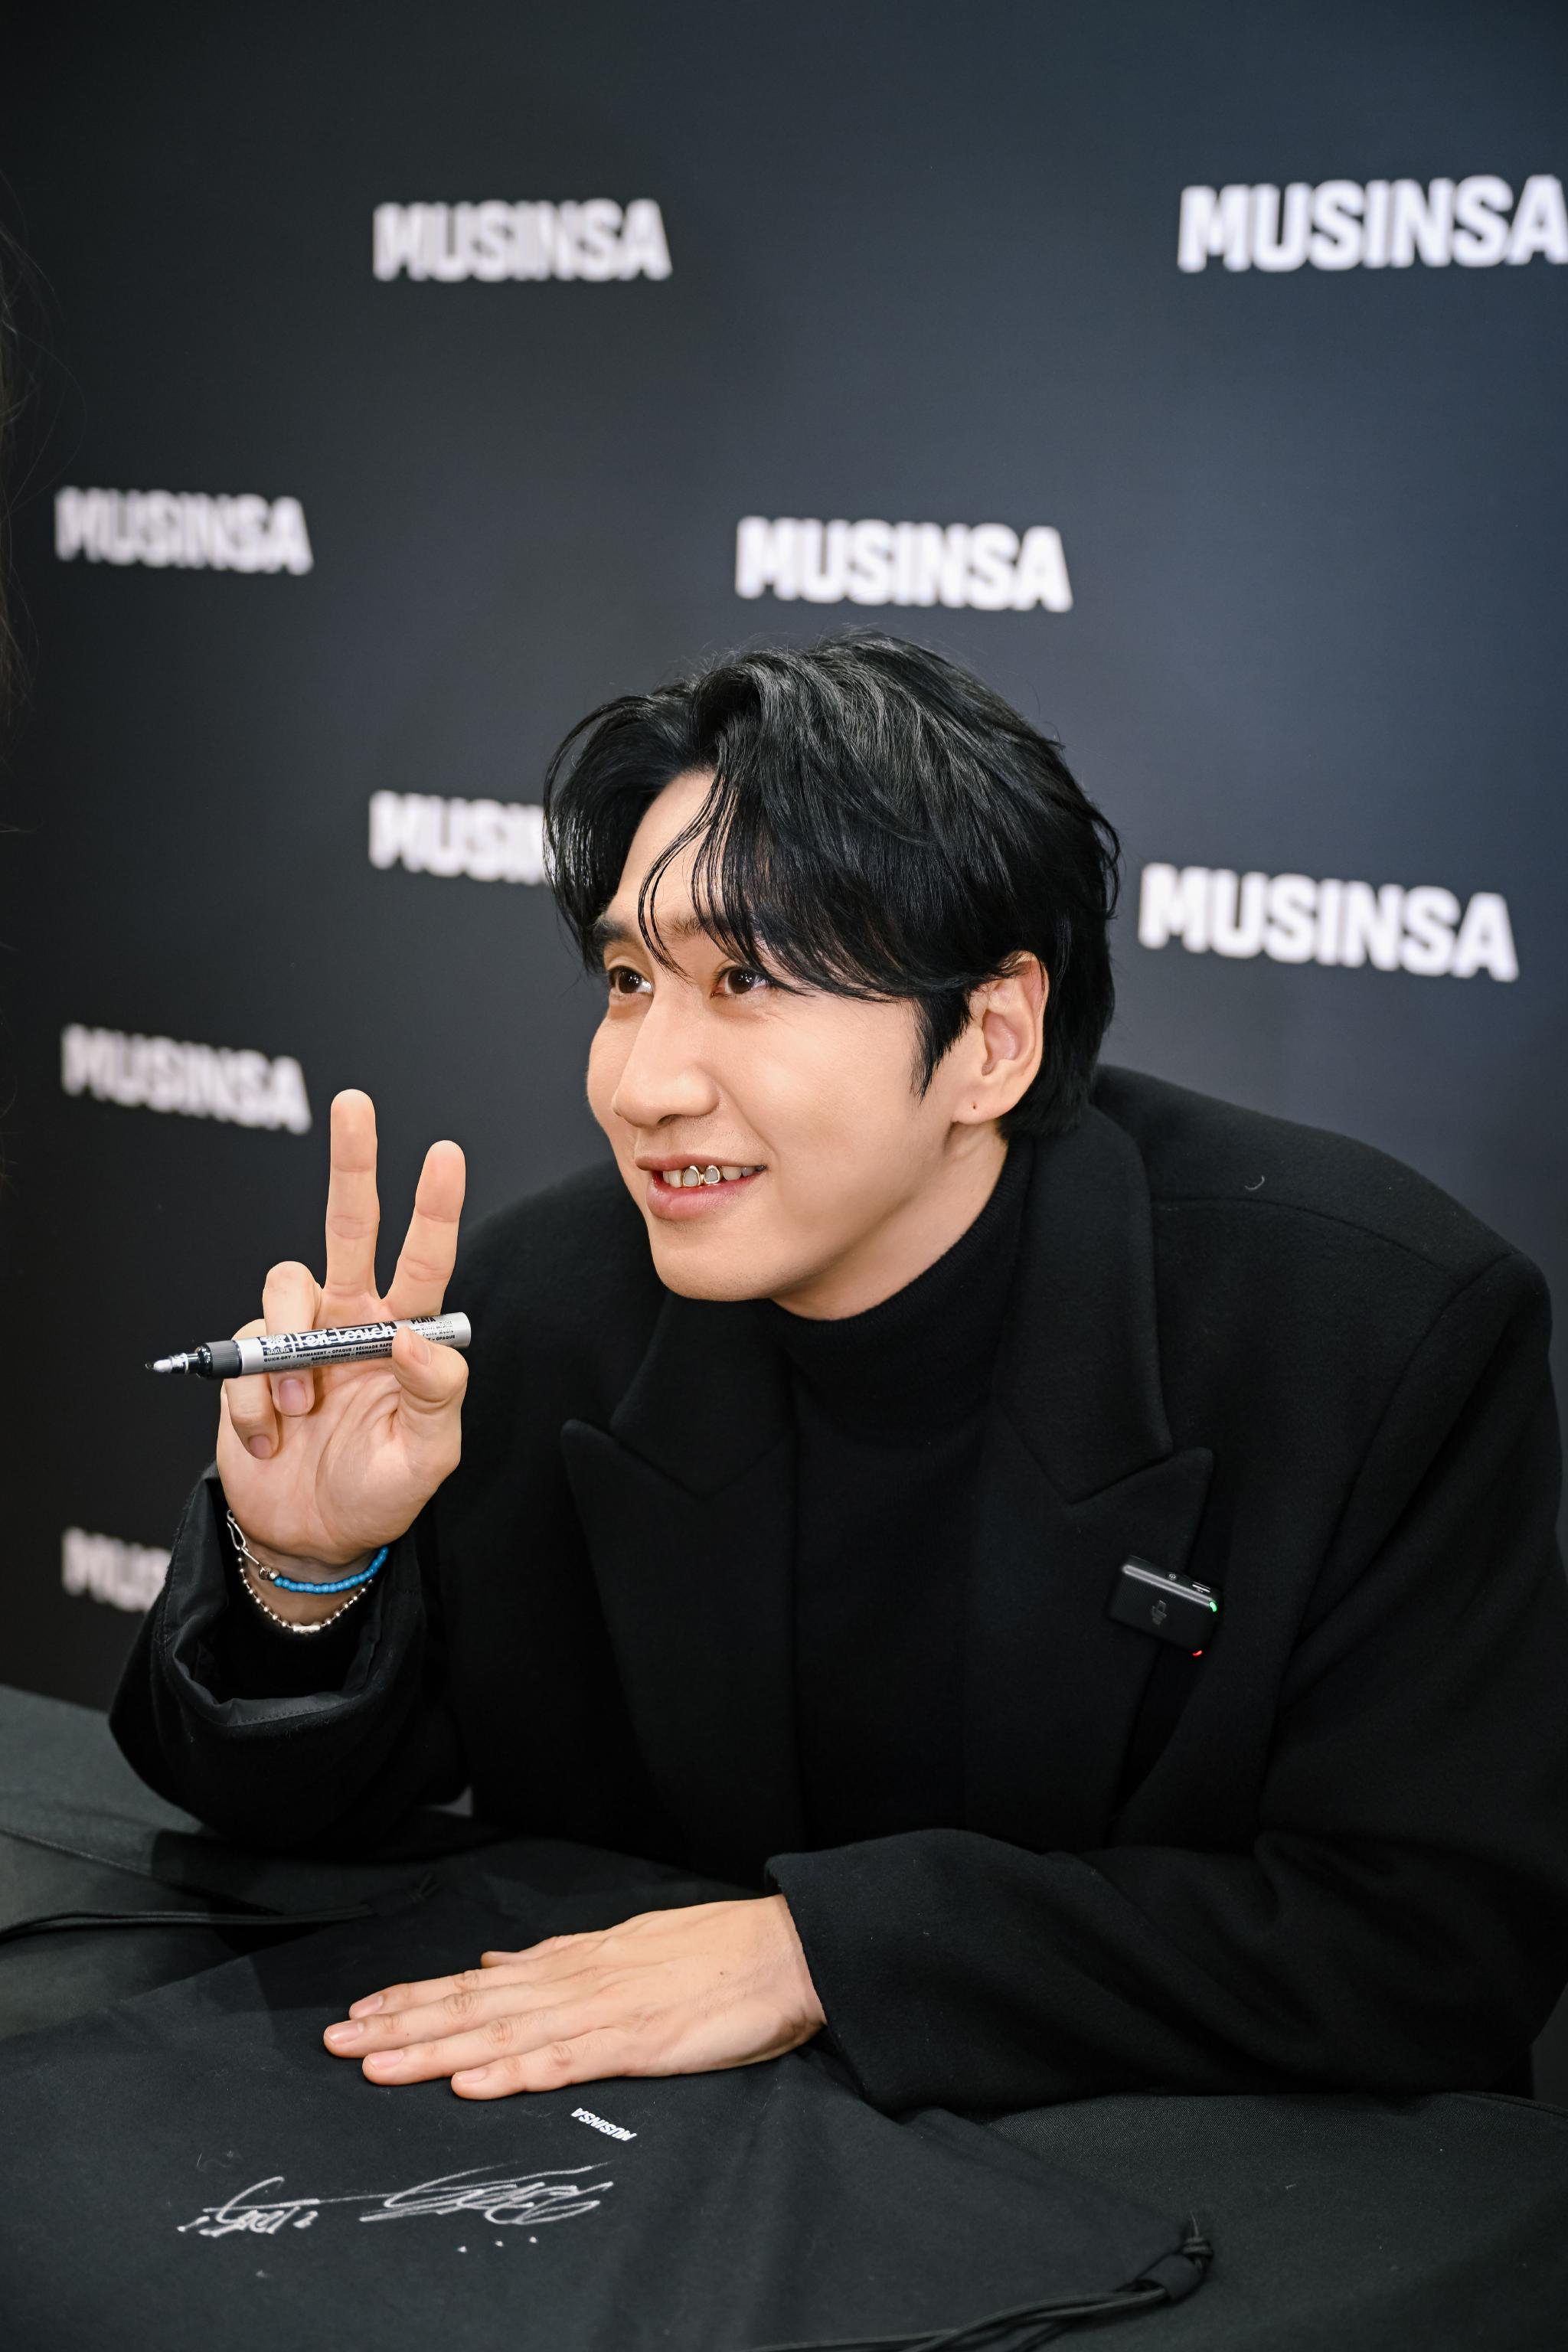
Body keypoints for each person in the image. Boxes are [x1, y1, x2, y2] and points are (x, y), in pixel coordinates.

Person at [113, 633, 1568, 2115]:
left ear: (992, 1037)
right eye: (629, 978)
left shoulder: (1369, 1333)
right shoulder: (537, 1310)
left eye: (744, 976)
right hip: (657, 2178)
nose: (642, 1084)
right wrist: (305, 1573)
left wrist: (825, 1953)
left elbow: (1433, 1946)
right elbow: (283, 1832)